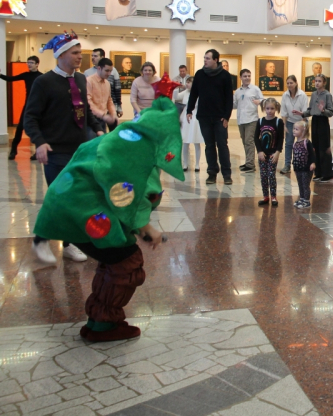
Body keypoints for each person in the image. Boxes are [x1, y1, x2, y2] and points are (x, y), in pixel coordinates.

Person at [34, 97, 184, 342]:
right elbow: (125, 188)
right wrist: (145, 227)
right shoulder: (136, 150)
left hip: (68, 207)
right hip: (82, 212)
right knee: (127, 264)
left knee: (113, 261)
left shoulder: (122, 137)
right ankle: (104, 325)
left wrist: (138, 226)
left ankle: (98, 319)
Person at [26, 32, 104, 264]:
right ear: (60, 55)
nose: (80, 56)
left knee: (76, 197)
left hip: (78, 150)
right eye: (75, 53)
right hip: (55, 151)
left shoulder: (80, 79)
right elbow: (30, 117)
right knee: (60, 197)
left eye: (81, 52)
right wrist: (40, 142)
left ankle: (70, 244)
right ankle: (41, 240)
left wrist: (98, 129)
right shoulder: (44, 82)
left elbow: (85, 110)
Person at [186, 49, 234, 185]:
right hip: (204, 116)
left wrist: (227, 116)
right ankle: (212, 173)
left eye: (208, 58)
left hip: (220, 117)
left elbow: (229, 98)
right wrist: (189, 110)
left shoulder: (225, 75)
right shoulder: (200, 74)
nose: (205, 60)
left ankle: (227, 174)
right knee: (209, 145)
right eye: (204, 58)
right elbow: (194, 93)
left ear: (215, 60)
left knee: (222, 145)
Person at [1, 55, 42, 160]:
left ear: (37, 64)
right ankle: (13, 151)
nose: (29, 64)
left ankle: (38, 152)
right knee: (20, 128)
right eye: (28, 62)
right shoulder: (26, 75)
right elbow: (10, 79)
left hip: (39, 106)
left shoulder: (41, 77)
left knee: (38, 128)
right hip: (28, 105)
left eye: (31, 63)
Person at [302, 74, 333, 182]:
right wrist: (302, 114)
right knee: (315, 147)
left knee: (324, 148)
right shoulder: (313, 94)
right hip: (315, 121)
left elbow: (331, 112)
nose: (317, 83)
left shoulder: (327, 95)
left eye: (319, 81)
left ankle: (328, 174)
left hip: (323, 121)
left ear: (324, 83)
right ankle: (318, 172)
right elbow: (310, 110)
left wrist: (323, 110)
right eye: (316, 81)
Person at [233, 68, 265, 173]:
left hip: (252, 119)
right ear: (241, 78)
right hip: (241, 119)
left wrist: (259, 101)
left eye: (249, 76)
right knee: (245, 142)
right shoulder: (238, 91)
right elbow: (234, 104)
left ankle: (250, 165)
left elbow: (263, 100)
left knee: (249, 141)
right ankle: (248, 162)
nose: (247, 78)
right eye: (245, 76)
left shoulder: (255, 89)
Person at [254, 98, 284, 207]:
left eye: (272, 108)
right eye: (267, 108)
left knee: (271, 175)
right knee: (263, 176)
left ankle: (273, 196)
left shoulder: (278, 122)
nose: (270, 111)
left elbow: (280, 139)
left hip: (273, 154)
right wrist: (259, 151)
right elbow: (256, 138)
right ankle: (265, 196)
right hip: (263, 154)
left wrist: (277, 152)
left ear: (276, 109)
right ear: (264, 109)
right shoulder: (260, 121)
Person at [85, 49, 122, 130]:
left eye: (110, 71)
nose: (109, 73)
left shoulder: (107, 83)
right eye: (107, 71)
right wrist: (103, 115)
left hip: (103, 119)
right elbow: (88, 102)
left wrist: (113, 114)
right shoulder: (89, 81)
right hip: (92, 119)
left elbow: (109, 101)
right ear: (99, 68)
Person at [279, 75, 308, 174]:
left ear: (296, 83)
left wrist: (302, 126)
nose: (289, 85)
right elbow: (283, 112)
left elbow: (305, 112)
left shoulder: (302, 95)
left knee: (302, 144)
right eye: (287, 83)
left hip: (302, 121)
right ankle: (287, 165)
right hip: (290, 121)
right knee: (288, 143)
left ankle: (302, 164)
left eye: (291, 83)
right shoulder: (285, 95)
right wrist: (284, 125)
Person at [176, 76, 203, 172]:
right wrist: (175, 88)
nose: (186, 84)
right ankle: (185, 164)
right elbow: (176, 97)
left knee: (196, 141)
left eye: (189, 82)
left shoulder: (199, 93)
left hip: (195, 117)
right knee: (185, 141)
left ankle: (197, 164)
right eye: (186, 82)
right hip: (185, 116)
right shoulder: (185, 92)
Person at [292, 121, 316, 209]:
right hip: (298, 168)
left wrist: (313, 163)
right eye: (294, 129)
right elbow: (295, 155)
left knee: (305, 185)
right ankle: (302, 199)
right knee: (300, 184)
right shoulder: (295, 143)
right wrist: (294, 166)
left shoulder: (307, 142)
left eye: (296, 129)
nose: (294, 130)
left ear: (303, 131)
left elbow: (312, 154)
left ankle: (307, 201)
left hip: (306, 168)